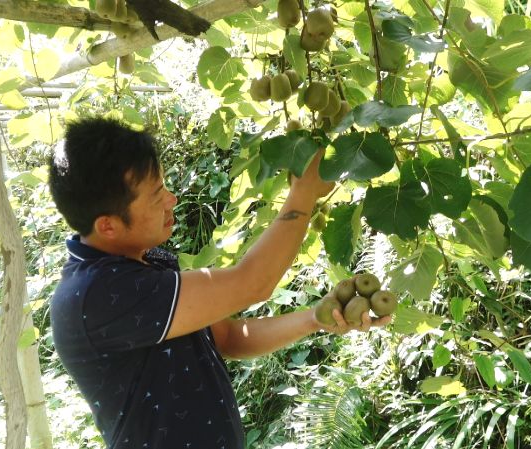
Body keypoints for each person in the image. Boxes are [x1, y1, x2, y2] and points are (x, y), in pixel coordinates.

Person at [47, 116, 390, 449]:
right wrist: (304, 192)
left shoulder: (147, 263)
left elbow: (227, 337)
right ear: (107, 225)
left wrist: (316, 318)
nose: (172, 200)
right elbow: (253, 283)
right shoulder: (100, 293)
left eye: (164, 186)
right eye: (156, 196)